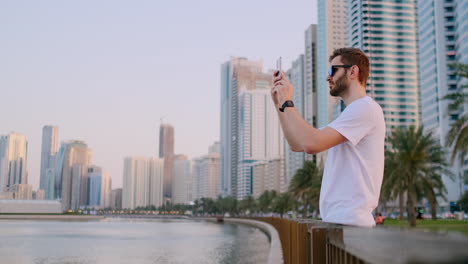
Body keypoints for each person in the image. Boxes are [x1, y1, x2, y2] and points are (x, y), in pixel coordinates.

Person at [271, 47, 385, 227]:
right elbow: (297, 144)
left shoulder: (365, 108)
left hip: (351, 224)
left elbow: (310, 144)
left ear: (353, 71)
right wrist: (279, 105)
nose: (328, 77)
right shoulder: (350, 115)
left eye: (333, 70)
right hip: (342, 223)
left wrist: (288, 101)